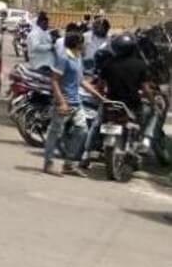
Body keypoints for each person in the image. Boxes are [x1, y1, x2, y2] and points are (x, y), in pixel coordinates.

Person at [43, 30, 101, 177]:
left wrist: (97, 95)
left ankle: (68, 164)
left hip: (76, 102)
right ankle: (48, 164)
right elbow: (54, 80)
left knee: (82, 131)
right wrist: (61, 102)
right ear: (77, 43)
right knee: (55, 133)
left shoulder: (78, 57)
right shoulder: (64, 58)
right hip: (65, 102)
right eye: (84, 42)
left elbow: (81, 81)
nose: (86, 45)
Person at [96, 33, 155, 146]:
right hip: (132, 104)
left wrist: (102, 96)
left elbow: (100, 85)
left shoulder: (108, 64)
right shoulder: (140, 65)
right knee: (153, 113)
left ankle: (87, 152)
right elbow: (146, 89)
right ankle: (145, 140)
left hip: (111, 102)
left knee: (97, 123)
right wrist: (153, 102)